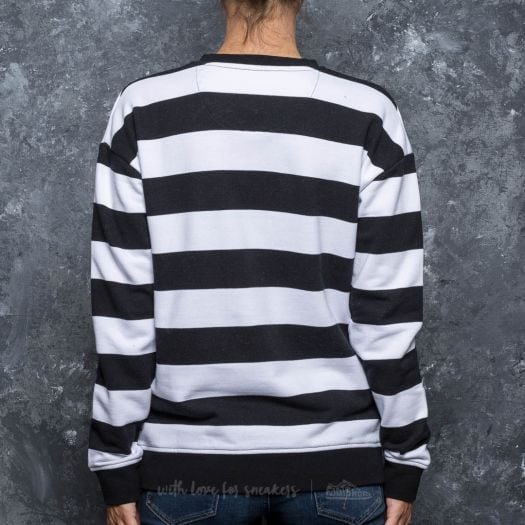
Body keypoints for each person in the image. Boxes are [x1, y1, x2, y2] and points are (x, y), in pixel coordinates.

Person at [87, 0, 432, 523]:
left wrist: (115, 464)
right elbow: (387, 315)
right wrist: (405, 458)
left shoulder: (143, 111)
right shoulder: (369, 115)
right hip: (337, 464)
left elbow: (123, 310)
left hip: (187, 466)